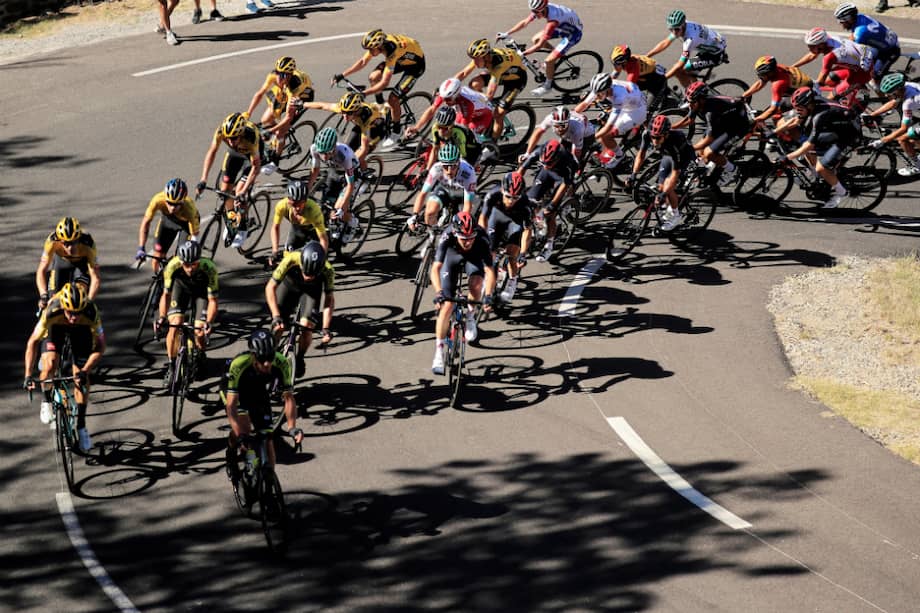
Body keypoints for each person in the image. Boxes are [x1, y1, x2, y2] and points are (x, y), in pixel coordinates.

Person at [24, 283, 105, 452]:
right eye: (70, 312)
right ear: (63, 307)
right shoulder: (53, 309)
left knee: (81, 379)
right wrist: (28, 375)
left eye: (77, 313)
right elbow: (32, 342)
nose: (74, 317)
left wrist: (85, 370)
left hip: (82, 332)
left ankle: (81, 427)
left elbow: (101, 347)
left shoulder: (90, 311)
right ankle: (46, 400)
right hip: (56, 327)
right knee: (49, 365)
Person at [224, 329, 302, 480]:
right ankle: (231, 452)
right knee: (245, 428)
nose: (267, 363)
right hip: (236, 391)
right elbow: (231, 406)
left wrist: (292, 427)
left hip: (257, 390)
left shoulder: (281, 362)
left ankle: (269, 481)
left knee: (267, 436)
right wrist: (240, 435)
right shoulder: (238, 365)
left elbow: (288, 398)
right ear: (253, 356)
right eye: (261, 358)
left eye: (270, 357)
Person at [333, 29, 425, 146]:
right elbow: (363, 61)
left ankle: (397, 131)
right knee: (373, 77)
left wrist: (364, 93)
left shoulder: (392, 50)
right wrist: (342, 75)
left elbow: (384, 83)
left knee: (393, 99)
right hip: (402, 60)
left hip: (415, 67)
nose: (370, 52)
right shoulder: (380, 45)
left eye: (371, 49)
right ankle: (380, 104)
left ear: (379, 46)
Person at [430, 211, 495, 374]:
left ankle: (471, 316)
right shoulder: (447, 236)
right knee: (447, 305)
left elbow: (490, 270)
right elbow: (435, 269)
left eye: (471, 237)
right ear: (455, 233)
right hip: (452, 258)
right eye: (464, 238)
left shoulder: (482, 237)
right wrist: (439, 293)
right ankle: (438, 352)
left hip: (474, 258)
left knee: (476, 283)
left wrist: (488, 296)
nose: (468, 242)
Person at [774, 86, 859, 208]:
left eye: (800, 108)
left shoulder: (819, 117)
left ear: (808, 105)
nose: (798, 110)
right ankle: (816, 174)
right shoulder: (813, 103)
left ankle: (841, 192)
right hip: (837, 128)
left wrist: (788, 157)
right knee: (805, 144)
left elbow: (810, 145)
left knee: (821, 167)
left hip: (849, 136)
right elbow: (796, 120)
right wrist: (775, 131)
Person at [265, 241, 335, 377]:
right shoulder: (291, 258)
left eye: (312, 275)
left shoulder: (328, 270)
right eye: (305, 272)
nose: (307, 277)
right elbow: (270, 288)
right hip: (289, 286)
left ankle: (300, 357)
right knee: (278, 326)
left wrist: (326, 328)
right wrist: (275, 316)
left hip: (310, 293)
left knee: (307, 325)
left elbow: (329, 300)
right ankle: (269, 355)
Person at [196, 112, 264, 249]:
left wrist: (243, 191)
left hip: (251, 157)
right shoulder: (222, 130)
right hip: (235, 154)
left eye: (234, 138)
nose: (231, 141)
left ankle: (243, 226)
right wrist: (203, 179)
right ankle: (233, 219)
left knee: (240, 192)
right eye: (229, 138)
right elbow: (212, 151)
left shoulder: (250, 137)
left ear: (241, 134)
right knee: (224, 191)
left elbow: (256, 168)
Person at [155, 241, 219, 385]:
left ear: (199, 260)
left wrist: (209, 322)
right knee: (174, 325)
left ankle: (201, 355)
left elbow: (213, 301)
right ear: (181, 261)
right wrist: (162, 317)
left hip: (201, 293)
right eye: (186, 265)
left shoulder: (209, 268)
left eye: (194, 264)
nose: (190, 269)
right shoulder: (172, 266)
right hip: (180, 289)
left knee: (200, 332)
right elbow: (165, 295)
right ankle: (171, 367)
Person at [497, 0, 584, 96]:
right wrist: (507, 33)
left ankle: (548, 86)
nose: (534, 14)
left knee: (549, 60)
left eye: (536, 12)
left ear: (543, 9)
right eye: (533, 11)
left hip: (573, 33)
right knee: (536, 39)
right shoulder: (540, 9)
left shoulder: (552, 21)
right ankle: (557, 54)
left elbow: (539, 46)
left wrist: (523, 54)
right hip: (563, 27)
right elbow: (525, 22)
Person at [672, 81, 749, 187]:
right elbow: (689, 120)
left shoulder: (710, 112)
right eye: (689, 102)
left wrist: (688, 148)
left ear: (701, 100)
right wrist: (670, 128)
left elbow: (709, 139)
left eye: (693, 102)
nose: (690, 104)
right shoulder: (697, 103)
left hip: (738, 126)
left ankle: (733, 171)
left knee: (709, 153)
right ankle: (709, 168)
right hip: (723, 121)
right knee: (700, 151)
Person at [629, 114, 697, 231]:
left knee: (668, 188)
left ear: (666, 134)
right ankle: (667, 206)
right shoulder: (647, 134)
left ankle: (676, 215)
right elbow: (641, 155)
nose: (655, 141)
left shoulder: (675, 141)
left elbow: (675, 172)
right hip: (667, 156)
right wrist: (633, 175)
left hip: (684, 159)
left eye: (658, 138)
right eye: (653, 137)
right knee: (660, 188)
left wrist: (665, 193)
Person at [455, 38, 528, 140]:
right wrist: (449, 85)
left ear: (486, 57)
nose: (474, 62)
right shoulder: (483, 58)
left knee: (498, 114)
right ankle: (486, 114)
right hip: (503, 75)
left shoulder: (498, 65)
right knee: (474, 84)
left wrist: (479, 101)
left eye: (477, 59)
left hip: (516, 80)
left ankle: (493, 145)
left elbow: (489, 94)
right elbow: (464, 73)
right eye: (473, 58)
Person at [518, 138, 578, 262]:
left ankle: (549, 245)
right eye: (544, 163)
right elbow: (521, 171)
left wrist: (552, 205)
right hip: (547, 175)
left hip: (561, 179)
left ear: (556, 158)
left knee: (550, 213)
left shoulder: (567, 161)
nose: (545, 166)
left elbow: (564, 185)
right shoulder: (540, 152)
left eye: (549, 163)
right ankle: (536, 221)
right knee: (530, 200)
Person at [245, 56, 314, 162]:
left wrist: (272, 131)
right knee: (265, 120)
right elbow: (259, 94)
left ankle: (276, 159)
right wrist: (248, 113)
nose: (279, 77)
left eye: (283, 75)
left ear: (290, 75)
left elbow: (288, 116)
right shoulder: (274, 76)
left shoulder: (295, 86)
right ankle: (276, 137)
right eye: (278, 73)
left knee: (280, 132)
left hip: (302, 98)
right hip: (285, 91)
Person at [478, 172, 533, 303]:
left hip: (515, 223)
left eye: (515, 198)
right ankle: (488, 277)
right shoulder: (492, 194)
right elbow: (483, 218)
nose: (511, 201)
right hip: (497, 219)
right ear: (502, 190)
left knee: (512, 254)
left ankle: (512, 280)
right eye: (508, 196)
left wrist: (523, 253)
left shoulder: (525, 204)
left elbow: (527, 230)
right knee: (489, 251)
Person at [573, 72, 647, 170]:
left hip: (636, 112)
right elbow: (584, 104)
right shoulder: (601, 88)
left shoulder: (618, 96)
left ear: (607, 89)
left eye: (599, 94)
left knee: (605, 135)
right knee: (602, 119)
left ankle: (620, 156)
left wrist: (591, 139)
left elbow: (609, 127)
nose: (597, 96)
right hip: (629, 102)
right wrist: (571, 115)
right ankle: (604, 147)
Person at [791, 27, 875, 108]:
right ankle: (846, 92)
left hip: (862, 74)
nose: (809, 48)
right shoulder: (830, 39)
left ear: (821, 45)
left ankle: (846, 112)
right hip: (855, 65)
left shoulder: (830, 56)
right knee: (829, 81)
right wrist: (793, 67)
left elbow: (820, 81)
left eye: (811, 46)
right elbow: (811, 56)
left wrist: (808, 84)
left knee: (829, 99)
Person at [305, 128, 364, 239]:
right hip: (334, 173)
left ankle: (353, 222)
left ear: (334, 148)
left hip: (352, 175)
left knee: (338, 209)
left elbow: (350, 185)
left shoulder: (343, 155)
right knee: (325, 206)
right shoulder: (314, 149)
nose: (324, 157)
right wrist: (307, 190)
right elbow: (315, 172)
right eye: (322, 153)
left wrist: (342, 208)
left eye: (328, 153)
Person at [646, 9, 727, 88]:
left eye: (677, 29)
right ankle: (697, 92)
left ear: (683, 25)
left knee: (679, 71)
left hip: (715, 55)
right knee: (687, 71)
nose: (674, 32)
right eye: (671, 29)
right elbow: (665, 42)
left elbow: (679, 65)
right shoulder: (682, 25)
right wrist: (647, 56)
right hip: (712, 46)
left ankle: (692, 96)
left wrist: (663, 78)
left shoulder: (690, 39)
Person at [302, 93, 388, 167]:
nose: (345, 116)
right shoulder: (346, 109)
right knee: (347, 149)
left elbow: (363, 149)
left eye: (349, 113)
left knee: (356, 158)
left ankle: (362, 176)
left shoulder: (367, 118)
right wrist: (303, 104)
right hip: (360, 126)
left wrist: (351, 164)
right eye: (343, 112)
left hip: (375, 130)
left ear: (356, 110)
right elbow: (323, 106)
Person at [407, 143, 478, 232]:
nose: (449, 171)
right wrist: (414, 215)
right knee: (429, 212)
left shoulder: (468, 173)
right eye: (445, 166)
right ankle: (432, 235)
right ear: (441, 164)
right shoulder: (436, 168)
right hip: (445, 189)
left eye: (453, 166)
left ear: (459, 163)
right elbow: (423, 193)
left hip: (462, 194)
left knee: (465, 224)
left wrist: (461, 222)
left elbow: (468, 204)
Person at [36, 217, 101, 312]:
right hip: (61, 262)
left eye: (74, 242)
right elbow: (41, 270)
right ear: (59, 240)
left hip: (81, 264)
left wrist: (89, 301)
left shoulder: (88, 244)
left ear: (79, 238)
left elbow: (95, 277)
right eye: (65, 243)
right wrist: (43, 295)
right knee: (51, 302)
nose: (70, 248)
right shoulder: (52, 242)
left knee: (79, 297)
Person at [136, 178, 201, 272]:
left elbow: (195, 236)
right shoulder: (158, 200)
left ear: (182, 202)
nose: (172, 208)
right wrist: (141, 247)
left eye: (176, 204)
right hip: (168, 221)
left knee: (182, 259)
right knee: (157, 257)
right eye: (169, 203)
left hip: (186, 226)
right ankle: (158, 283)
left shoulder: (189, 209)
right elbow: (146, 223)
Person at [407, 78, 495, 144]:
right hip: (464, 110)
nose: (445, 102)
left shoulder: (466, 104)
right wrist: (416, 127)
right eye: (443, 99)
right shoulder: (447, 95)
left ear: (456, 95)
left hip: (482, 117)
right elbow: (431, 110)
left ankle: (484, 151)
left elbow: (463, 128)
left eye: (448, 100)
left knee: (466, 138)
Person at [865, 72, 920, 176]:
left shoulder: (909, 102)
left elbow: (903, 128)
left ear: (898, 90)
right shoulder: (907, 85)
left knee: (902, 139)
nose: (886, 95)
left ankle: (917, 166)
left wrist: (882, 140)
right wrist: (873, 115)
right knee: (913, 137)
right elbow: (893, 102)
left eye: (890, 93)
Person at [269, 180, 329, 267]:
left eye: (301, 204)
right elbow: (275, 227)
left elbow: (323, 239)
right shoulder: (282, 206)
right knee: (286, 260)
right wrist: (275, 251)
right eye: (294, 204)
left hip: (313, 233)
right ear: (288, 200)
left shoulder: (313, 210)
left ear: (305, 201)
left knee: (311, 263)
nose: (297, 208)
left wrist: (322, 257)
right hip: (297, 230)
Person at [742, 55, 814, 127]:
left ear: (769, 73)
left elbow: (773, 109)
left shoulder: (778, 84)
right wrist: (743, 96)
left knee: (776, 119)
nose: (761, 77)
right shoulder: (777, 68)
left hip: (805, 97)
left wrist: (755, 121)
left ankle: (790, 136)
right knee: (770, 114)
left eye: (762, 74)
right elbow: (760, 83)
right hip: (802, 88)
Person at [834, 2, 901, 80]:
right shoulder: (860, 17)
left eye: (841, 22)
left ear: (849, 19)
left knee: (874, 76)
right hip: (885, 42)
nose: (840, 25)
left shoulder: (860, 33)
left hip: (890, 51)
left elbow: (852, 51)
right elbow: (852, 37)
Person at [524, 105, 594, 164]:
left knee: (574, 163)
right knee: (557, 156)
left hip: (586, 136)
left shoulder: (577, 129)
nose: (560, 129)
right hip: (568, 135)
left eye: (563, 125)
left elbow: (576, 151)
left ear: (568, 122)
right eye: (557, 126)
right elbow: (537, 133)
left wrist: (574, 164)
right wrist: (527, 153)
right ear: (552, 122)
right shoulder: (549, 119)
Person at [610, 44, 669, 112]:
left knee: (647, 111)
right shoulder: (627, 60)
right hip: (647, 75)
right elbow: (615, 73)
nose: (615, 66)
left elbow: (628, 88)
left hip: (657, 82)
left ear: (624, 62)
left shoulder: (633, 70)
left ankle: (666, 101)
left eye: (617, 64)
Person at [424, 106, 475, 170]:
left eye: (445, 128)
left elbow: (462, 157)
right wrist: (427, 169)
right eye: (439, 127)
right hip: (452, 141)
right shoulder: (435, 128)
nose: (441, 131)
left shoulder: (458, 134)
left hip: (469, 149)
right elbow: (435, 150)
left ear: (452, 125)